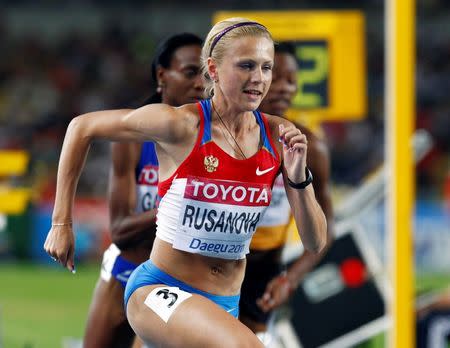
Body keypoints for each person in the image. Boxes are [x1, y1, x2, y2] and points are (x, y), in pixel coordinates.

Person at [44, 17, 327, 347]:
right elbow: (81, 127)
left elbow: (315, 241)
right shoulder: (181, 125)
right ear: (214, 68)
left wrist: (297, 178)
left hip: (224, 305)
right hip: (158, 290)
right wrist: (61, 222)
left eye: (266, 68)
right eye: (246, 66)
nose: (258, 79)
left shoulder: (278, 137)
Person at [83, 33, 204, 348]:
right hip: (127, 271)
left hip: (183, 281)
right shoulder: (134, 137)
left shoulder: (217, 140)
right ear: (162, 75)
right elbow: (120, 230)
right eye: (191, 72)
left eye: (207, 74)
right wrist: (177, 206)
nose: (200, 83)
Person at [239, 42, 335, 338]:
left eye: (291, 80)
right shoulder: (221, 135)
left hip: (263, 272)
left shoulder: (310, 146)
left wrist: (289, 280)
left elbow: (326, 226)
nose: (283, 88)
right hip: (212, 263)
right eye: (276, 76)